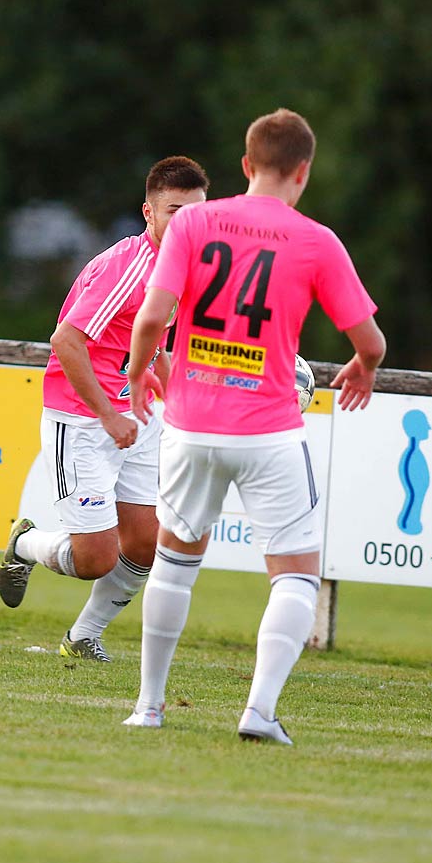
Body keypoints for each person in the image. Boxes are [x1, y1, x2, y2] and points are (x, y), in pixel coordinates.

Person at [120, 109, 386, 744]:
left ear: (245, 165)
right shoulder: (316, 241)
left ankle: (148, 708)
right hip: (267, 428)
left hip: (191, 423)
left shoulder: (194, 224)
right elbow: (371, 340)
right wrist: (363, 367)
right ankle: (259, 712)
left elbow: (152, 318)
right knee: (294, 575)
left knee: (174, 564)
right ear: (304, 171)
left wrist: (136, 377)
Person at [0, 156, 210, 661]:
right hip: (83, 416)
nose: (186, 223)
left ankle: (83, 636)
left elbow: (150, 349)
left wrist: (183, 399)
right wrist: (109, 416)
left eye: (196, 213)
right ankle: (24, 544)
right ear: (148, 214)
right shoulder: (130, 267)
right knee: (95, 558)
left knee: (146, 543)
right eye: (174, 211)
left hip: (133, 413)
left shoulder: (180, 270)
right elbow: (66, 341)